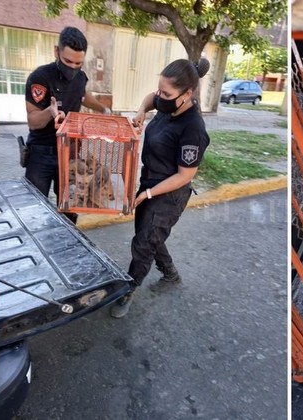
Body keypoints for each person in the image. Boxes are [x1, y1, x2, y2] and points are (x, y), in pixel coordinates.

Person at [110, 58, 211, 318]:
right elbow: (150, 99)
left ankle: (128, 290)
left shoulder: (193, 128)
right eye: (160, 90)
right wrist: (141, 112)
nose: (160, 97)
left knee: (144, 243)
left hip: (169, 194)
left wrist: (148, 194)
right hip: (150, 181)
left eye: (166, 94)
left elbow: (185, 175)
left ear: (186, 94)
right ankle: (171, 273)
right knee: (149, 235)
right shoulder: (168, 103)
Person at [24, 26, 111, 223]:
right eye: (68, 61)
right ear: (57, 51)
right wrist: (49, 112)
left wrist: (103, 109)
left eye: (78, 63)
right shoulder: (40, 77)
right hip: (42, 153)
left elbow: (83, 95)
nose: (73, 67)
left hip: (70, 154)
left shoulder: (80, 77)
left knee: (70, 208)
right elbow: (33, 121)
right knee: (34, 209)